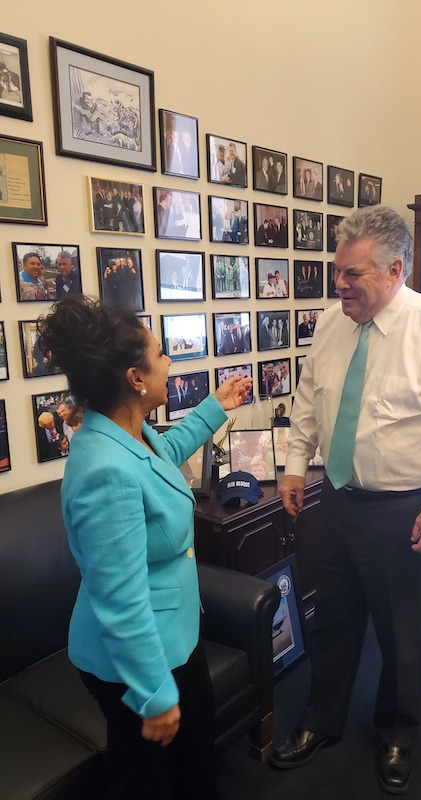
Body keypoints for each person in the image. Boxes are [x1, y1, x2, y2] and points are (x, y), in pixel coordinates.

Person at [270, 206, 421, 794]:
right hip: (337, 502)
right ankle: (322, 721)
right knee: (333, 622)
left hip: (404, 511)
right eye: (337, 272)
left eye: (353, 275)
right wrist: (296, 465)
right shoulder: (331, 324)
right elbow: (310, 397)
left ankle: (397, 733)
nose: (339, 285)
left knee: (401, 632)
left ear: (395, 270)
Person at [37, 296, 251, 800]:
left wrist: (216, 406)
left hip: (172, 637)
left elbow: (161, 456)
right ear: (136, 378)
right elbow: (120, 598)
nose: (169, 362)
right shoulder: (103, 470)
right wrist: (154, 695)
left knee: (196, 762)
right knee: (150, 781)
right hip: (137, 659)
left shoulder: (124, 431)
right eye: (161, 355)